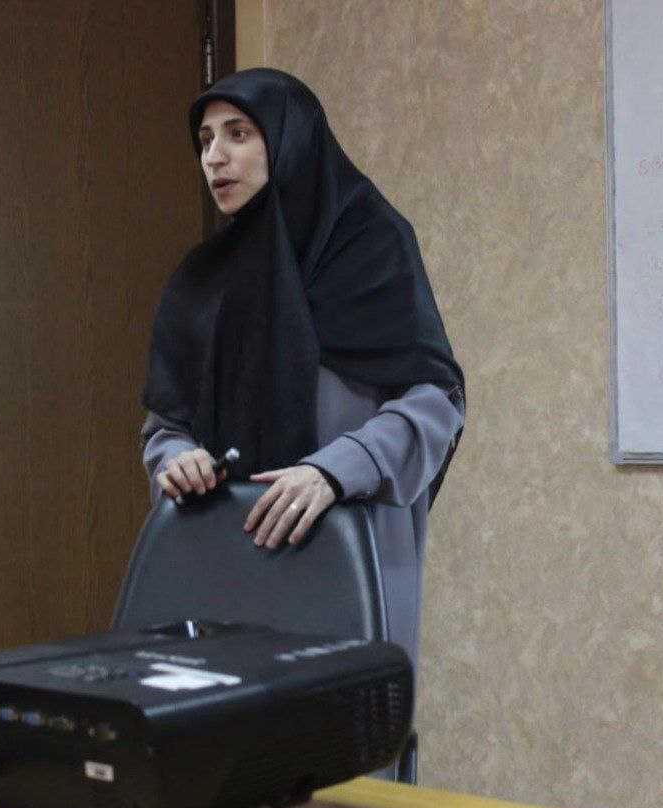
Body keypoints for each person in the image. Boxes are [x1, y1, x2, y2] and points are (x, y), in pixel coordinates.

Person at [140, 68, 464, 663]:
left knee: (344, 715)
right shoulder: (202, 280)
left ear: (290, 138)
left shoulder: (371, 246)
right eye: (205, 140)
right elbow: (166, 426)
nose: (214, 157)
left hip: (350, 550)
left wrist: (333, 471)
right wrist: (175, 459)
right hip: (224, 560)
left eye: (238, 134)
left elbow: (434, 404)